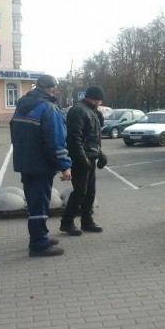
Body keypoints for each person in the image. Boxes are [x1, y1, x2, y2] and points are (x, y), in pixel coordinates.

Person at [10, 74, 71, 257]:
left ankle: (40, 235)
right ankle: (39, 244)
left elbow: (14, 133)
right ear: (53, 89)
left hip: (25, 162)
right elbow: (55, 142)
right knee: (40, 204)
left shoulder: (21, 106)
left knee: (34, 202)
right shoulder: (48, 109)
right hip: (41, 165)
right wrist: (64, 166)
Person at [60, 86, 107, 236]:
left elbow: (93, 138)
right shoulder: (79, 110)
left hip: (90, 157)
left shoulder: (92, 111)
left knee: (90, 192)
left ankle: (87, 221)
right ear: (94, 99)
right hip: (80, 158)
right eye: (99, 100)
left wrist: (100, 154)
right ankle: (67, 223)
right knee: (80, 192)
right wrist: (82, 158)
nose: (100, 103)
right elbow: (75, 138)